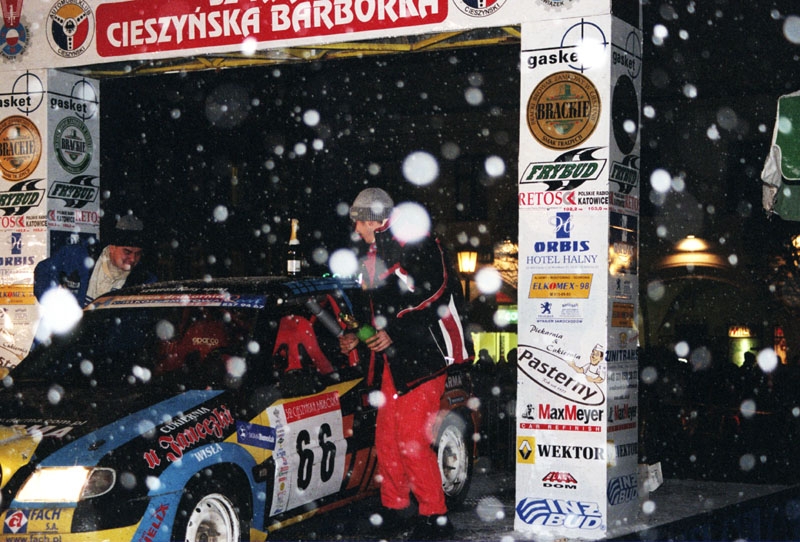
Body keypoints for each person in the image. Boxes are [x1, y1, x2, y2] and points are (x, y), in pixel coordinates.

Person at [337, 187, 472, 540]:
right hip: (394, 361)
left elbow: (435, 293)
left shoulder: (418, 240)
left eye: (358, 223)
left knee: (411, 439)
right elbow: (373, 310)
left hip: (426, 358)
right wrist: (357, 336)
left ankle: (435, 516)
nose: (356, 230)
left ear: (372, 220)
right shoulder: (374, 252)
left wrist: (393, 331)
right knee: (387, 439)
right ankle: (395, 506)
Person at [34, 213, 157, 307]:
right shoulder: (78, 255)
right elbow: (44, 270)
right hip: (68, 331)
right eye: (127, 252)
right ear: (112, 248)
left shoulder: (144, 281)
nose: (133, 259)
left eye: (138, 254)